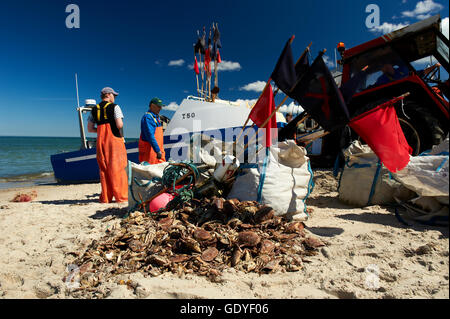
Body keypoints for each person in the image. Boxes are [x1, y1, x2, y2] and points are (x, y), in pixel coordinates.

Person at [87, 87, 128, 203]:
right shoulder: (115, 107)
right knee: (118, 168)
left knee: (104, 168)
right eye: (114, 95)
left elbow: (90, 129)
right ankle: (122, 197)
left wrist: (100, 130)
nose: (114, 98)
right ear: (109, 95)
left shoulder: (94, 109)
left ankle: (106, 197)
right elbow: (119, 125)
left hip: (101, 141)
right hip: (114, 140)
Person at [139, 97, 166, 164]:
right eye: (158, 106)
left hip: (157, 150)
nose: (160, 108)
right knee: (149, 170)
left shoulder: (157, 117)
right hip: (150, 151)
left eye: (161, 107)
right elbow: (150, 136)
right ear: (152, 106)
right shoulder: (148, 117)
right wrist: (157, 150)